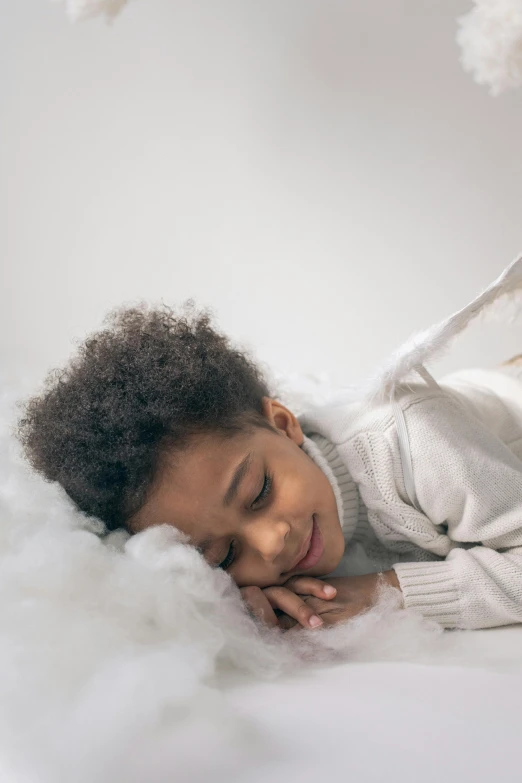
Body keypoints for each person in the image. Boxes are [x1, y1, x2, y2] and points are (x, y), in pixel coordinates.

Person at [18, 257, 522, 632]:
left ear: (283, 423)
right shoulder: (261, 529)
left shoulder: (414, 442)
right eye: (224, 555)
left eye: (260, 492)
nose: (272, 542)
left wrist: (383, 592)